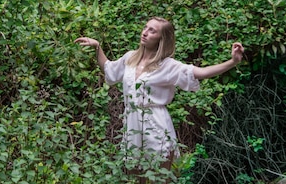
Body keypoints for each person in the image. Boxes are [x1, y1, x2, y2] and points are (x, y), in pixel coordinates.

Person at [75, 17, 244, 168]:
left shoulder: (168, 65)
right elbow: (109, 69)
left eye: (152, 31)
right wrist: (97, 47)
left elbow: (200, 72)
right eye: (145, 28)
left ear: (161, 39)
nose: (145, 33)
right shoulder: (130, 58)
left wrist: (232, 62)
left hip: (156, 124)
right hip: (132, 123)